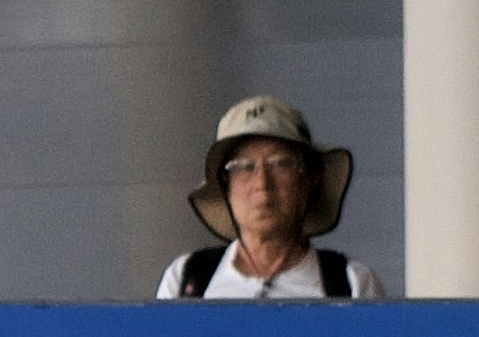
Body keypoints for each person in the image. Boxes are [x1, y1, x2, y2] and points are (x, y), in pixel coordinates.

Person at [154, 97, 382, 298]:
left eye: (280, 164)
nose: (262, 184)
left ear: (309, 179)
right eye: (243, 167)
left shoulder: (350, 284)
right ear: (226, 185)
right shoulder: (186, 280)